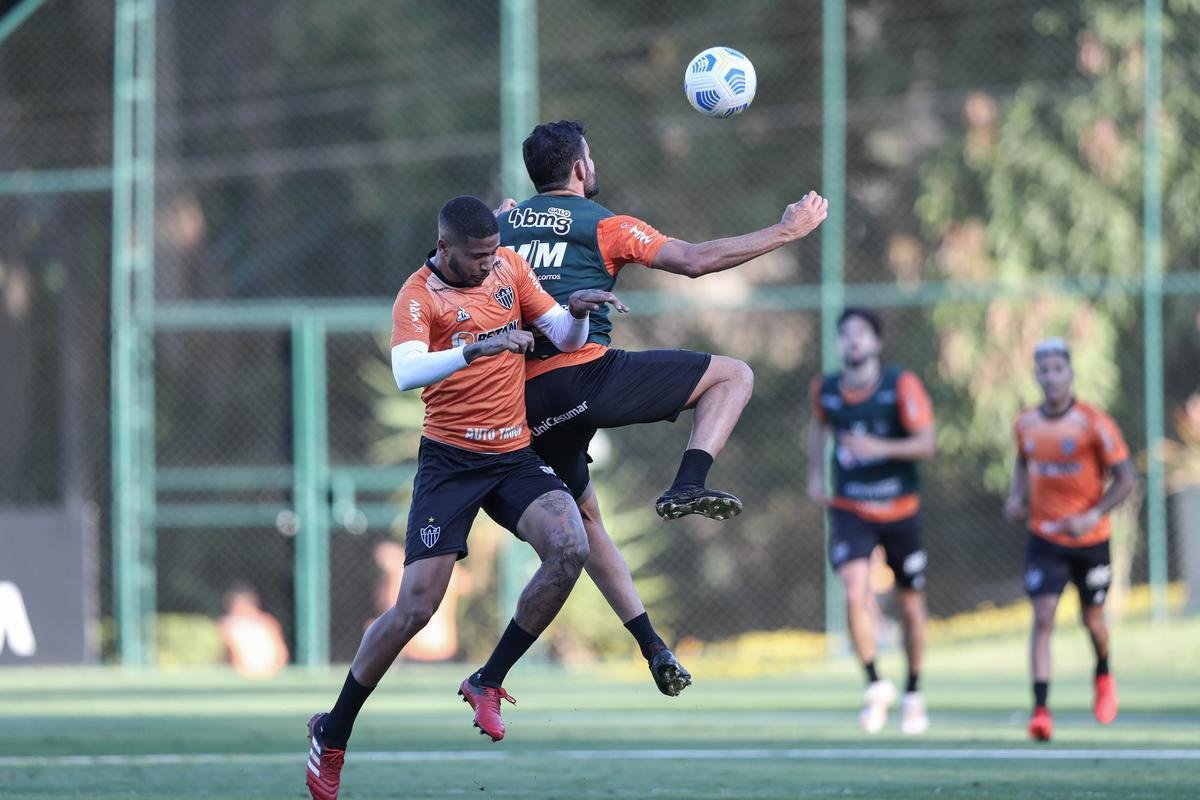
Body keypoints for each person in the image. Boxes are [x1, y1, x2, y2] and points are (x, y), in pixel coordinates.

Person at [305, 195, 626, 800]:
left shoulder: (509, 266)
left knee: (570, 548)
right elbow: (406, 372)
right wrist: (474, 349)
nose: (487, 264)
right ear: (444, 247)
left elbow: (561, 335)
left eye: (491, 253)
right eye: (476, 256)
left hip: (513, 457)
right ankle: (334, 729)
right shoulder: (418, 296)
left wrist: (579, 314)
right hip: (450, 464)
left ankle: (488, 679)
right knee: (414, 610)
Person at [496, 120, 828, 695]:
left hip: (521, 404)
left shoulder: (499, 227)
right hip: (584, 378)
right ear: (579, 168)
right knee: (733, 375)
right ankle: (688, 483)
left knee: (587, 524)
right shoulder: (604, 224)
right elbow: (694, 260)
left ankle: (652, 647)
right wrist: (785, 230)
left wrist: (504, 222)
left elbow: (448, 263)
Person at [806, 308, 936, 735]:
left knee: (911, 604)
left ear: (877, 341)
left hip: (900, 509)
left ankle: (913, 692)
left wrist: (880, 448)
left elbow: (927, 444)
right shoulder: (826, 389)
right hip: (851, 509)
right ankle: (876, 685)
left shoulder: (901, 385)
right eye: (845, 333)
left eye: (861, 333)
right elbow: (820, 428)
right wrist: (815, 475)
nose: (853, 340)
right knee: (854, 590)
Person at [1004, 338, 1136, 742]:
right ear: (1036, 375)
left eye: (1058, 369)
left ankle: (1103, 674)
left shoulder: (1094, 424)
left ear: (1071, 373)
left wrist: (1094, 514)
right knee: (1043, 617)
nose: (1051, 377)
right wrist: (1015, 496)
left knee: (1092, 619)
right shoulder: (1025, 423)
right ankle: (1040, 711)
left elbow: (1127, 479)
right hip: (1045, 538)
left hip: (1091, 540)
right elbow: (1023, 461)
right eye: (1044, 370)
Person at [217, 583, 289, 679]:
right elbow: (282, 655)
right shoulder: (268, 621)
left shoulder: (229, 624)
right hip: (269, 674)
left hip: (248, 674)